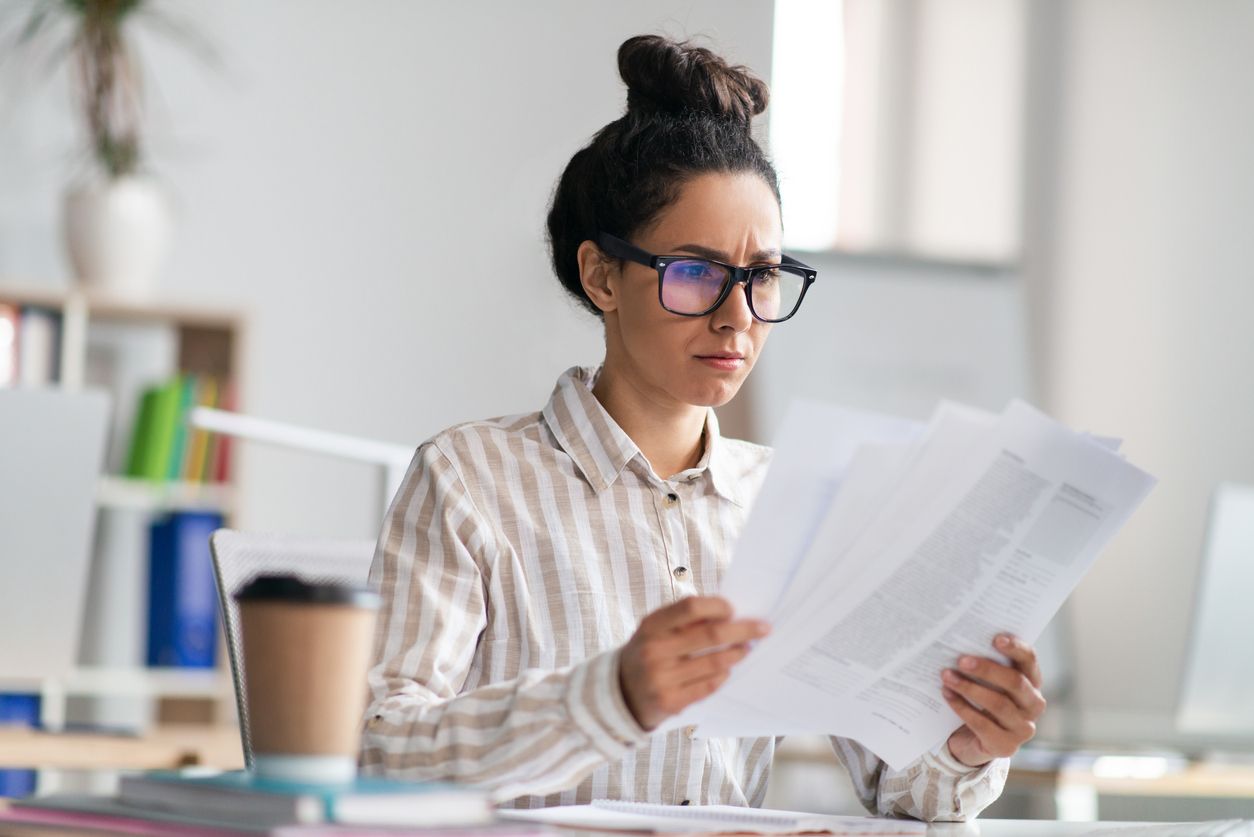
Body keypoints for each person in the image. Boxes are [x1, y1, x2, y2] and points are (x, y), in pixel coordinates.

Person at [359, 34, 1045, 821]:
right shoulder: (468, 478)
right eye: (695, 272)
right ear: (600, 274)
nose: (737, 317)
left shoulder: (793, 501)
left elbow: (900, 789)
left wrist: (965, 743)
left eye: (761, 277)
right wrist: (609, 695)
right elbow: (379, 750)